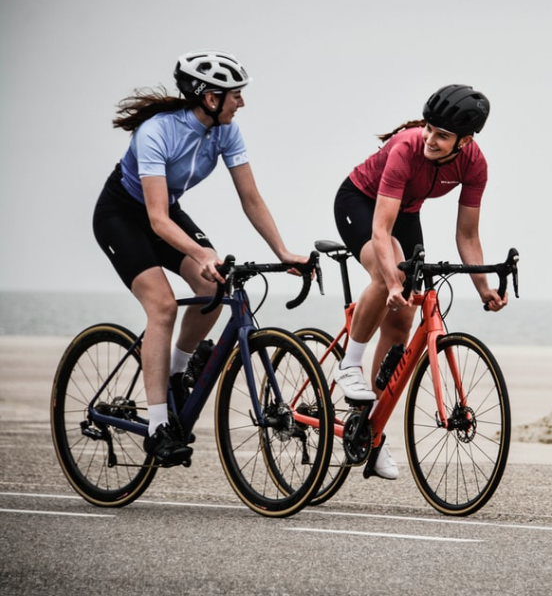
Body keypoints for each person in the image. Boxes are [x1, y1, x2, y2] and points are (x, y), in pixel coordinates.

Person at [93, 51, 310, 466]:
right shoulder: (156, 132)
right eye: (235, 96)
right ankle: (158, 426)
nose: (241, 103)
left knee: (214, 284)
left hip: (165, 212)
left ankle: (176, 372)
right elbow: (156, 220)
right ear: (211, 98)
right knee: (162, 306)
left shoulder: (227, 131)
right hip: (122, 215)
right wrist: (200, 250)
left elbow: (251, 198)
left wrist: (281, 252)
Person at [332, 84, 508, 479]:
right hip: (360, 202)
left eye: (442, 135)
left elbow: (467, 236)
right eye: (429, 128)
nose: (430, 139)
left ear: (465, 141)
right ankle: (350, 364)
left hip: (406, 211)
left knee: (403, 318)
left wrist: (484, 288)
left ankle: (371, 433)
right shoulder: (406, 148)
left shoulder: (475, 164)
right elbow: (380, 230)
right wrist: (392, 280)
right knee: (386, 273)